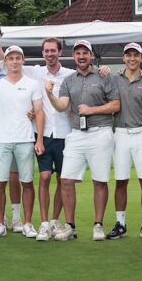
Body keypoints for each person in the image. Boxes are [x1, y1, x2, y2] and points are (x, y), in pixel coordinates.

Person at [46, 39, 120, 240]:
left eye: (85, 53)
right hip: (77, 134)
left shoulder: (104, 75)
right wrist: (49, 95)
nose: (81, 56)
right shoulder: (69, 80)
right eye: (78, 53)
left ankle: (98, 225)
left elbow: (115, 105)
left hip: (101, 131)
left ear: (91, 56)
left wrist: (91, 110)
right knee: (66, 179)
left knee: (99, 180)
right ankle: (70, 226)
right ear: (73, 57)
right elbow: (62, 106)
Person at [0, 45, 44, 238]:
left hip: (25, 140)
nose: (14, 61)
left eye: (18, 58)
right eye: (10, 58)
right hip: (2, 140)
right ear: (5, 62)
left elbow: (39, 112)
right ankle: (0, 224)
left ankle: (28, 223)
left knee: (27, 182)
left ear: (22, 61)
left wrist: (39, 139)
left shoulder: (32, 84)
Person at [20, 36, 73, 232]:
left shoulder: (70, 75)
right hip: (42, 134)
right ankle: (43, 222)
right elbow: (6, 62)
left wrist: (104, 70)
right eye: (47, 51)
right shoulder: (35, 71)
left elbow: (91, 76)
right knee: (44, 177)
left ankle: (54, 220)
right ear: (43, 53)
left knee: (62, 179)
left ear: (60, 52)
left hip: (65, 134)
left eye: (53, 50)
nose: (50, 54)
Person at [107, 42, 142, 240]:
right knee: (121, 180)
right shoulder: (114, 79)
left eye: (136, 55)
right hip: (120, 133)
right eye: (128, 55)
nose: (132, 59)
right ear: (123, 58)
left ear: (141, 58)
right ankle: (120, 224)